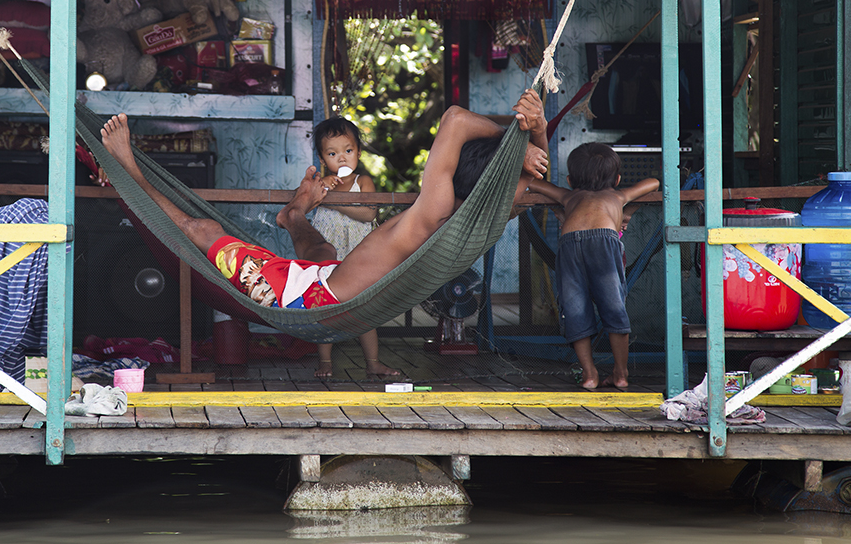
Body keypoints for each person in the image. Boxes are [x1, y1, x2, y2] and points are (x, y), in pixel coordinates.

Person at [97, 88, 548, 324]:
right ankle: (293, 216)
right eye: (516, 178)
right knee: (319, 256)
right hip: (325, 284)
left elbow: (459, 122)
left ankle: (129, 171)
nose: (522, 187)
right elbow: (525, 175)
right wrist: (529, 133)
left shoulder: (444, 215)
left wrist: (519, 134)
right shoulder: (465, 219)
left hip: (314, 301)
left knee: (201, 231)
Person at [526, 142, 659, 389]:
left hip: (569, 245)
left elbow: (534, 183)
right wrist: (625, 206)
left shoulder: (569, 195)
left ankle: (589, 375)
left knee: (575, 309)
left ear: (569, 179)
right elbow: (653, 183)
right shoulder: (618, 196)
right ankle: (620, 374)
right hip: (604, 243)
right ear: (617, 178)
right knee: (614, 308)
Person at [309, 116, 396, 378]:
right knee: (324, 309)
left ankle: (373, 363)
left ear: (358, 151)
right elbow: (305, 206)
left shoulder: (364, 182)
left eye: (348, 151)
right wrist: (323, 190)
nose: (343, 158)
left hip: (358, 257)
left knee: (363, 311)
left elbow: (369, 214)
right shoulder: (321, 184)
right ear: (323, 160)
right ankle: (325, 361)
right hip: (329, 258)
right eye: (333, 153)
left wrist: (333, 201)